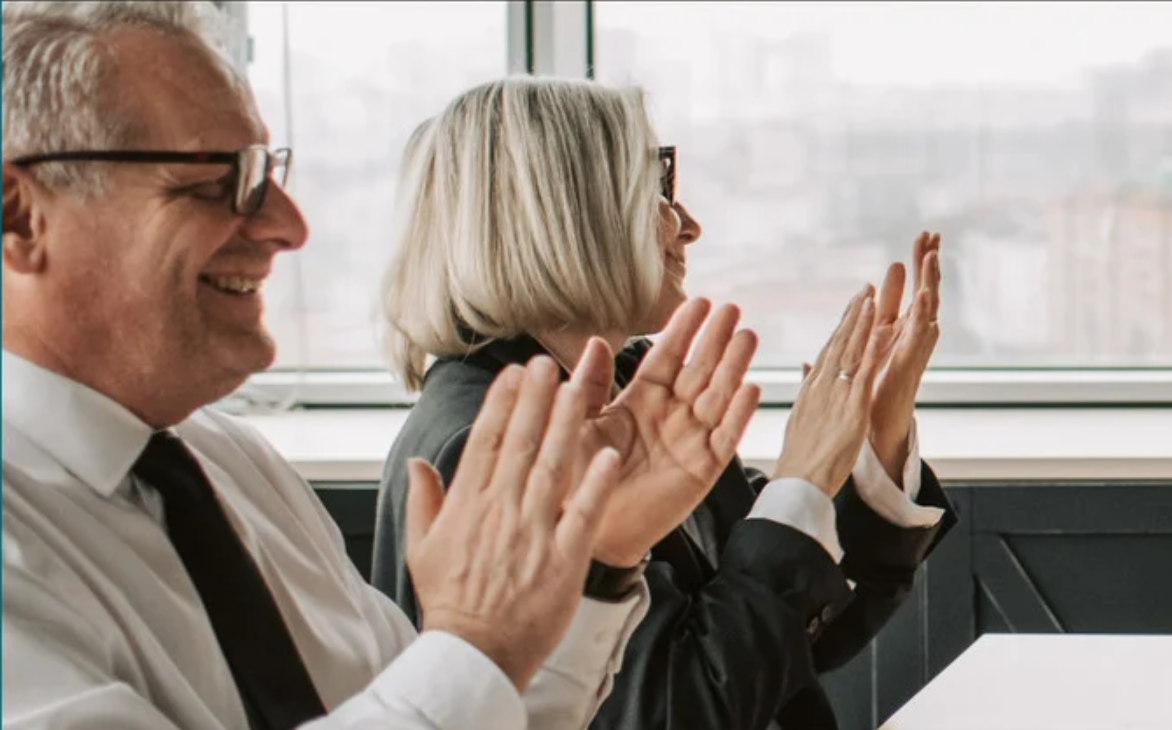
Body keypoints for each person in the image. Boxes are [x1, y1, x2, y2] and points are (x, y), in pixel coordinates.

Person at [1, 3, 762, 728]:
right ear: (19, 216)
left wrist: (598, 567)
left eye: (267, 173)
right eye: (216, 181)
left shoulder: (236, 468)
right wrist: (475, 646)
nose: (288, 226)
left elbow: (474, 715)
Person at [371, 75, 957, 729]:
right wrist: (805, 480)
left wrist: (874, 436)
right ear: (567, 216)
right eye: (657, 186)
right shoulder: (486, 445)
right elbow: (676, 711)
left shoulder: (632, 382)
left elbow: (783, 638)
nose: (690, 226)